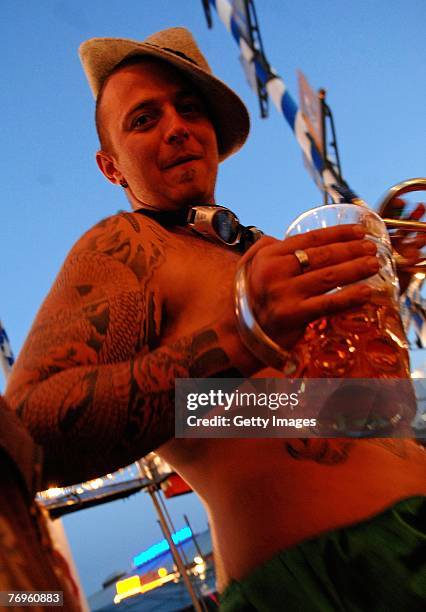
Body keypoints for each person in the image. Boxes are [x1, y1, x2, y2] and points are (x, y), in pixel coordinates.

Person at [5, 28, 425, 610]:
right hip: (324, 579)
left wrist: (381, 283)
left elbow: (362, 412)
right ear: (111, 168)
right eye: (144, 119)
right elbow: (27, 431)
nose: (176, 126)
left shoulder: (265, 253)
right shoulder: (127, 247)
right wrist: (242, 334)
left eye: (189, 109)